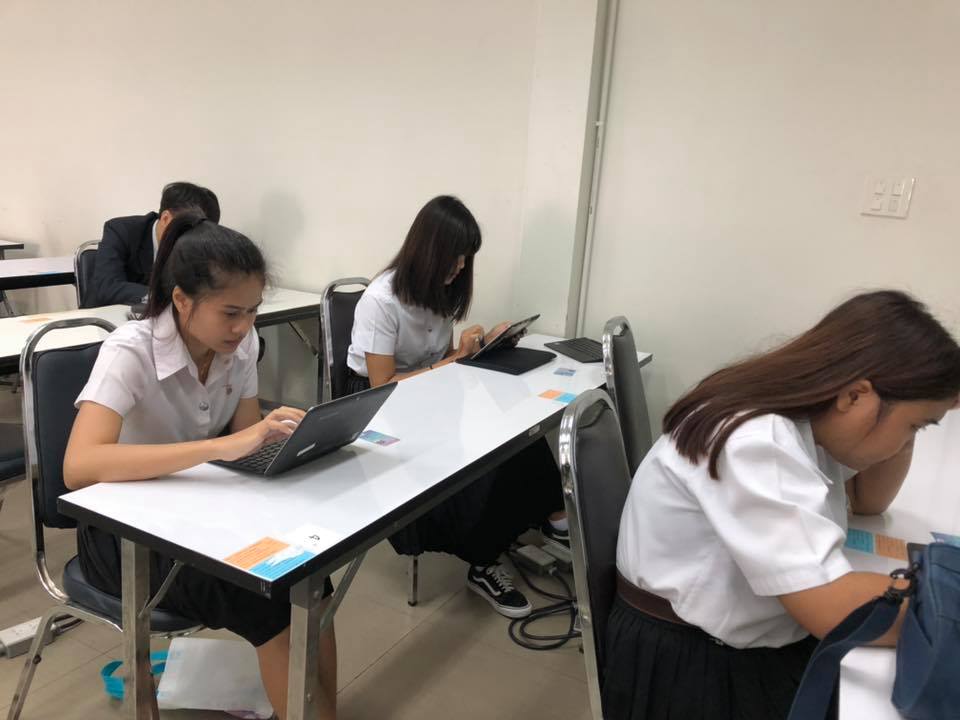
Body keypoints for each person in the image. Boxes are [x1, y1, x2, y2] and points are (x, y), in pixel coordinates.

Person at [604, 290, 960, 720]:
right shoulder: (755, 441)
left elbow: (869, 501)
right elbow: (835, 610)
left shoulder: (811, 417)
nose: (909, 440)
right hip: (691, 665)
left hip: (740, 641)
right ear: (855, 397)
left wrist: (914, 414)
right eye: (914, 427)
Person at [63, 212, 336, 720]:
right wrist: (216, 448)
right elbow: (78, 466)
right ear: (182, 300)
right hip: (123, 538)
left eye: (252, 311)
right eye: (230, 312)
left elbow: (245, 441)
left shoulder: (242, 345)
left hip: (197, 516)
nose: (244, 326)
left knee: (308, 577)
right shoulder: (130, 350)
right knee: (264, 598)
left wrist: (282, 440)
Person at [345, 195, 568, 619]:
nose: (461, 267)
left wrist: (474, 348)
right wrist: (454, 360)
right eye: (455, 256)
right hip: (377, 404)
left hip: (426, 389)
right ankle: (483, 559)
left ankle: (549, 519)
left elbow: (439, 359)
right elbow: (382, 384)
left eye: (466, 258)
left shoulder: (439, 292)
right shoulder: (381, 300)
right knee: (475, 464)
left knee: (514, 437)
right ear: (428, 251)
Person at [90, 181, 220, 306]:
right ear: (166, 218)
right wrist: (162, 298)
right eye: (188, 231)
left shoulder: (200, 245)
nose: (193, 240)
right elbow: (107, 287)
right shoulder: (121, 230)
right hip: (106, 315)